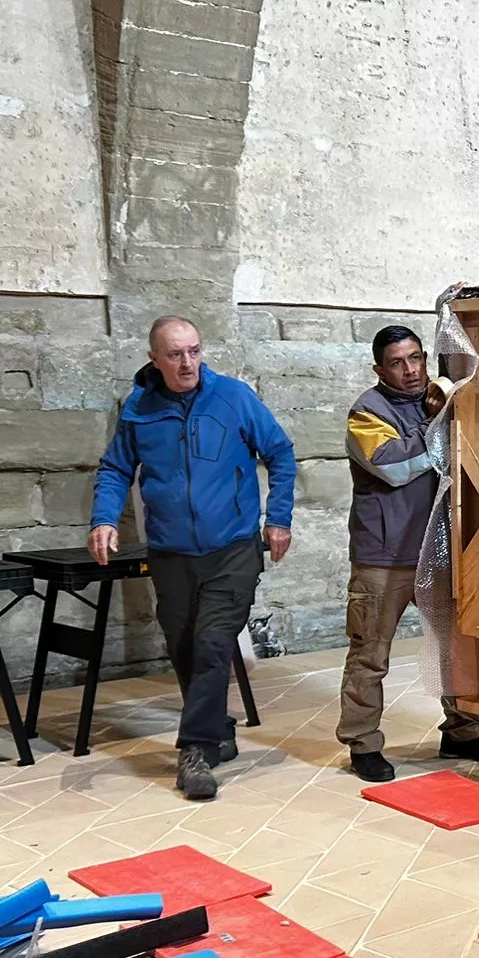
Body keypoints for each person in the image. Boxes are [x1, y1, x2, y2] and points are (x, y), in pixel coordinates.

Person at [90, 317, 296, 801]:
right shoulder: (139, 408)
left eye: (195, 351)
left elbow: (281, 454)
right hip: (171, 552)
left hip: (232, 548)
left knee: (211, 644)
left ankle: (195, 750)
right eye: (176, 355)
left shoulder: (233, 397)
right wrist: (103, 519)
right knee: (183, 645)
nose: (188, 363)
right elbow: (116, 468)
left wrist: (278, 518)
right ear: (154, 359)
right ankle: (217, 729)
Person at [338, 325, 479, 781]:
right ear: (379, 369)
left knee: (455, 648)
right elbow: (395, 466)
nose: (410, 370)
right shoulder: (367, 412)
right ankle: (363, 743)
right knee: (370, 654)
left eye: (416, 358)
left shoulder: (440, 399)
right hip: (384, 557)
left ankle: (461, 729)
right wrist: (439, 424)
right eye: (397, 363)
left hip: (439, 549)